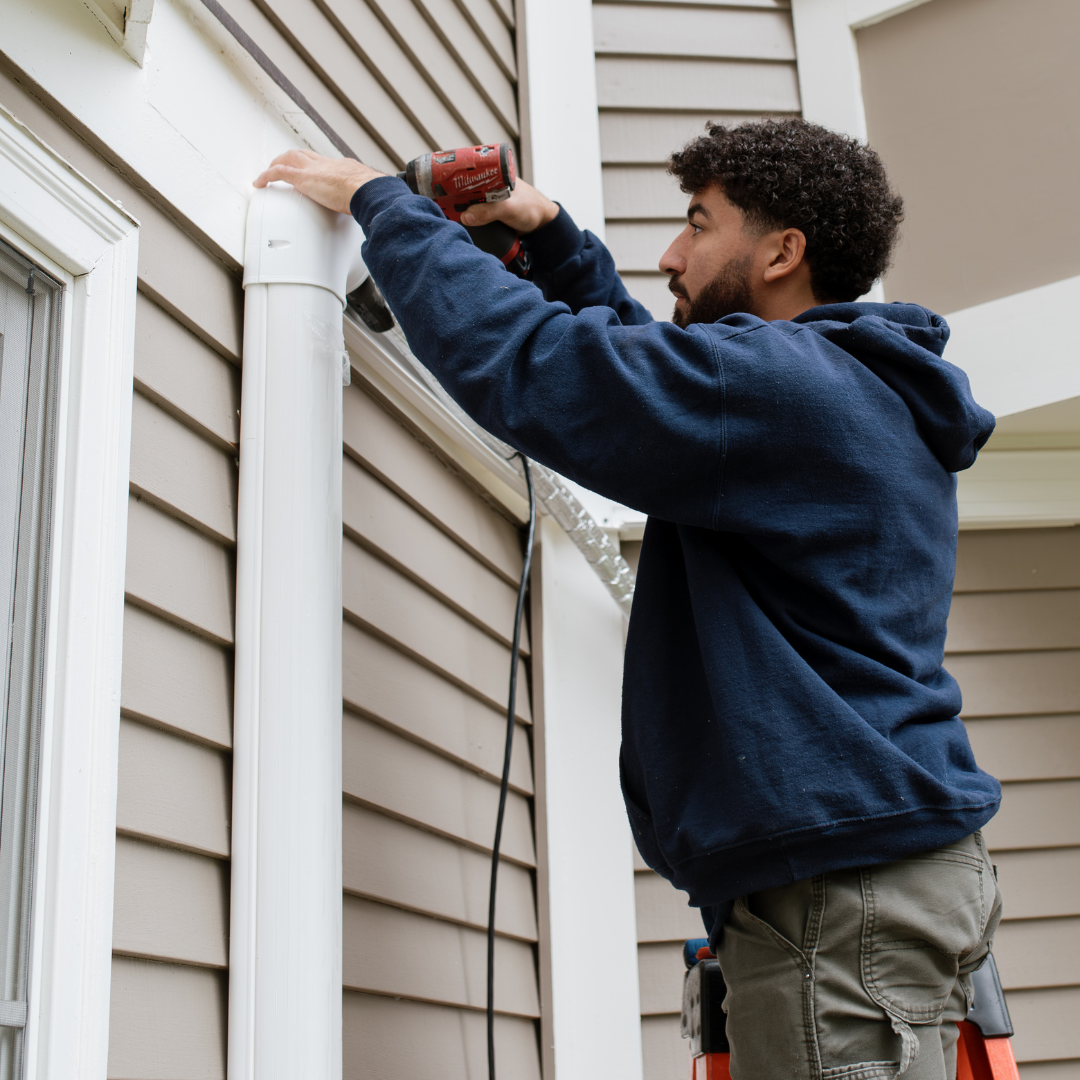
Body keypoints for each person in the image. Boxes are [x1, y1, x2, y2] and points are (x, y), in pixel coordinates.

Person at [255, 119, 1003, 1080]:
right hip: (862, 880)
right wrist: (551, 237)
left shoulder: (792, 392)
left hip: (842, 895)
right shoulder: (831, 389)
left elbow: (557, 373)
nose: (671, 253)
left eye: (699, 224)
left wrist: (386, 207)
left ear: (783, 253)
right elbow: (663, 391)